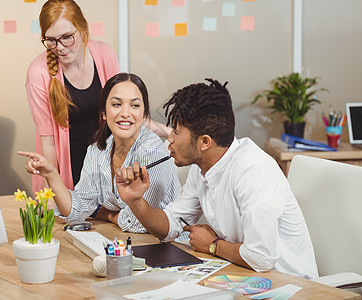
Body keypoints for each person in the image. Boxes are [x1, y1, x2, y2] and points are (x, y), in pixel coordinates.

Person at [114, 78, 319, 279]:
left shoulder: (253, 170)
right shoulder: (202, 167)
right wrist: (135, 200)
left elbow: (261, 258)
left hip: (291, 285)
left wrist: (212, 245)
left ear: (205, 142)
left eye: (176, 130)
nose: (170, 137)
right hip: (243, 277)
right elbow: (170, 226)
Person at [26, 0, 170, 194]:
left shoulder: (104, 54)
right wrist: (52, 194)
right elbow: (48, 144)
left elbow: (123, 115)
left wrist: (172, 133)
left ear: (83, 29)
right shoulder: (39, 73)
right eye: (51, 40)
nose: (59, 47)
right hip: (69, 176)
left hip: (105, 170)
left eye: (67, 37)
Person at [19, 73, 180, 233]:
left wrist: (106, 214)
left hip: (172, 247)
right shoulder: (97, 149)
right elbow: (77, 210)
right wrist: (51, 173)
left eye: (135, 105)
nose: (125, 113)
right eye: (117, 104)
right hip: (130, 242)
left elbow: (138, 224)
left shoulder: (152, 152)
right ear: (103, 112)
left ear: (144, 114)